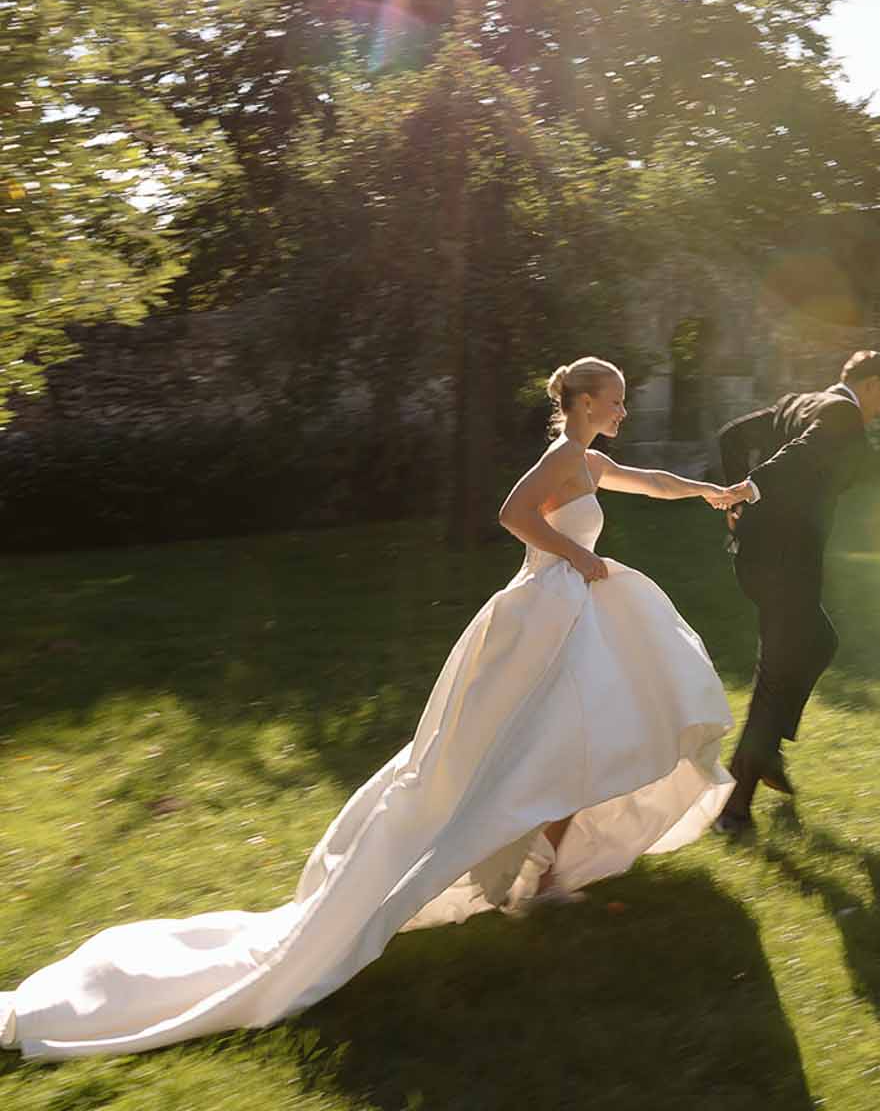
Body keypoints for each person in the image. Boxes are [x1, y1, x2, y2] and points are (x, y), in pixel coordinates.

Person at [0, 356, 750, 1064]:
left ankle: (543, 877)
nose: (624, 407)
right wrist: (576, 556)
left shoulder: (588, 461)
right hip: (545, 615)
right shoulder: (560, 459)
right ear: (584, 403)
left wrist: (709, 492)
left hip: (572, 615)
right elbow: (513, 514)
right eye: (615, 397)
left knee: (563, 744)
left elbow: (645, 480)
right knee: (527, 749)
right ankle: (522, 870)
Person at [715, 349, 880, 834]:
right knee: (774, 679)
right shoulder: (841, 413)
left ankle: (772, 750)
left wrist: (736, 500)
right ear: (867, 384)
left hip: (759, 557)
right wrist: (748, 491)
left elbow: (732, 436)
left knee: (820, 641)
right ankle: (734, 810)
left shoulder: (798, 402)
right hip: (785, 562)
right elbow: (798, 457)